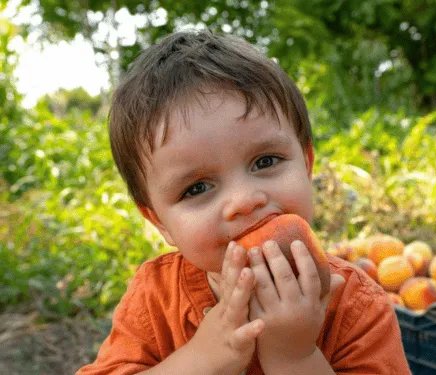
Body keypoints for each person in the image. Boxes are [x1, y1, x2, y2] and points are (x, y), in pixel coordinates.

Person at [76, 30, 411, 375]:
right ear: (159, 221)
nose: (244, 201)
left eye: (265, 161)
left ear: (307, 165)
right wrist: (200, 360)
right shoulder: (156, 300)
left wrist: (293, 355)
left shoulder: (355, 305)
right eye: (196, 188)